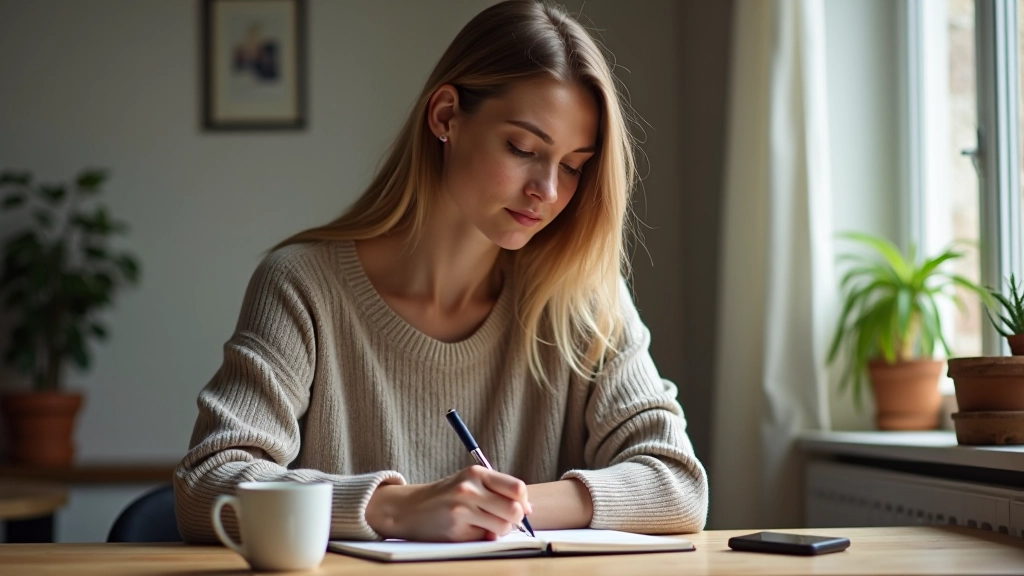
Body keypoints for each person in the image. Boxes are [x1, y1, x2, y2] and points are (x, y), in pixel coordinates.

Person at [174, 0, 708, 543]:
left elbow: (678, 485)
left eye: (573, 166)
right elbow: (206, 484)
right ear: (446, 116)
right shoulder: (302, 286)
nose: (547, 191)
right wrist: (398, 508)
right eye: (523, 148)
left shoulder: (583, 297)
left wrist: (505, 508)